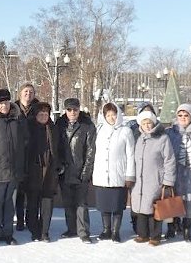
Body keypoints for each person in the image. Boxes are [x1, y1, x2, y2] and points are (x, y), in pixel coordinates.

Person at [0, 89, 28, 246]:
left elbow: (23, 145)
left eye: (7, 103)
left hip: (14, 171)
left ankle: (8, 233)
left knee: (9, 203)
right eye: (1, 104)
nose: (4, 106)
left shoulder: (17, 121)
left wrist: (21, 168)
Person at [126, 111, 176, 246]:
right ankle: (143, 234)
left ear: (154, 123)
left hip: (155, 179)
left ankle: (155, 236)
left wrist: (168, 180)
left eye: (149, 122)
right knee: (141, 209)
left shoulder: (162, 138)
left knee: (154, 208)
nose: (147, 125)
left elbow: (169, 160)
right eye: (144, 123)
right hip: (139, 181)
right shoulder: (139, 137)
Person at [54, 98, 96, 243]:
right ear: (65, 110)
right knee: (68, 202)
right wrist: (58, 165)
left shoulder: (87, 125)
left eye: (75, 110)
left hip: (80, 170)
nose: (72, 112)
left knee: (81, 203)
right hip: (64, 171)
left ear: (79, 110)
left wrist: (86, 171)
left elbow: (91, 151)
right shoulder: (59, 124)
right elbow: (56, 147)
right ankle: (71, 228)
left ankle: (83, 232)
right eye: (69, 110)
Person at [92, 102, 135, 243]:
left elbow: (130, 154)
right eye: (108, 115)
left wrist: (129, 175)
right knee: (104, 204)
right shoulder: (100, 130)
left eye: (113, 114)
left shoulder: (125, 131)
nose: (111, 117)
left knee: (117, 206)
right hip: (102, 175)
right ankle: (106, 230)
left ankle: (116, 231)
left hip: (118, 174)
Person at [165, 104, 191, 242]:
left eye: (186, 115)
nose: (183, 118)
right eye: (180, 115)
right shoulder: (170, 132)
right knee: (173, 199)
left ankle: (187, 229)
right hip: (174, 171)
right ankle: (172, 227)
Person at [25, 101, 59, 242]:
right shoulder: (29, 128)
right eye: (41, 114)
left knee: (47, 203)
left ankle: (45, 231)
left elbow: (59, 148)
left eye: (46, 114)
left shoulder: (53, 128)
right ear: (36, 115)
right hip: (34, 170)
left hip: (50, 171)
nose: (44, 116)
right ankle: (34, 230)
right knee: (32, 203)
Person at [14, 82, 40, 232]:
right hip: (18, 154)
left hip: (34, 153)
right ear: (20, 93)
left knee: (32, 191)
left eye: (31, 92)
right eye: (25, 91)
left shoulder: (38, 108)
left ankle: (31, 220)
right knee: (19, 191)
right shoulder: (13, 108)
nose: (28, 94)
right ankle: (20, 220)